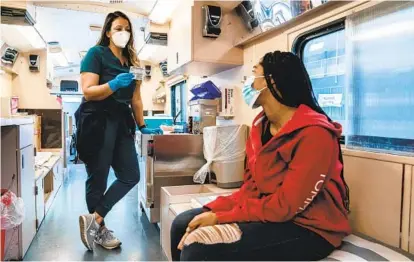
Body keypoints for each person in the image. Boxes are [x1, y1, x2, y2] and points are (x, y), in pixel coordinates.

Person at [170, 51, 351, 261]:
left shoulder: (315, 134)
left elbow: (286, 205)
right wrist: (214, 208)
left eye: (253, 74)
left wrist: (220, 217)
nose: (247, 82)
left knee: (198, 248)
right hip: (275, 214)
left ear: (271, 81)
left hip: (311, 228)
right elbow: (251, 189)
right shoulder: (260, 126)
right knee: (182, 223)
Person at [75, 11, 162, 251]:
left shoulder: (133, 62)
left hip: (122, 122)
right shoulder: (96, 54)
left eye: (127, 28)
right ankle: (99, 231)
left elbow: (136, 100)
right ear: (108, 32)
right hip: (97, 120)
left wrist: (143, 125)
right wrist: (113, 84)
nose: (124, 33)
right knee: (98, 178)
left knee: (131, 174)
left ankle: (95, 219)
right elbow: (88, 90)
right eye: (118, 28)